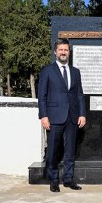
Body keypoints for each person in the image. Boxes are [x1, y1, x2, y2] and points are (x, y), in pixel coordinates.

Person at [38, 38, 86, 192]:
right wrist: (43, 116)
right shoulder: (47, 71)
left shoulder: (75, 72)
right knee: (52, 150)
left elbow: (79, 94)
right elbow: (42, 95)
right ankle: (53, 180)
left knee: (70, 150)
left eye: (66, 50)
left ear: (69, 52)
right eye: (61, 50)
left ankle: (68, 179)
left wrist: (82, 114)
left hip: (72, 117)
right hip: (54, 117)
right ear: (55, 52)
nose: (63, 52)